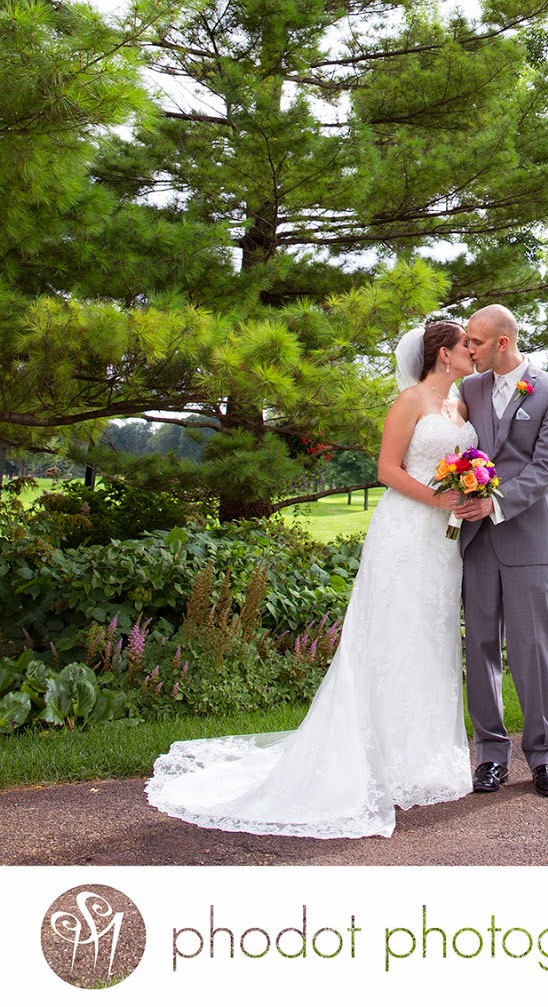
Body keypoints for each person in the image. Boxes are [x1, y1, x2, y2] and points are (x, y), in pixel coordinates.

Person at [145, 317, 477, 839]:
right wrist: (439, 499)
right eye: (465, 345)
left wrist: (471, 491)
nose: (472, 352)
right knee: (392, 635)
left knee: (430, 639)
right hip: (406, 531)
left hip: (444, 542)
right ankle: (377, 757)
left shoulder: (460, 405)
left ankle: (423, 757)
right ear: (443, 354)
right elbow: (387, 470)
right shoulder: (410, 401)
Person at [455, 304, 548, 798]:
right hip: (477, 543)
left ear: (502, 343)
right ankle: (490, 755)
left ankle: (543, 758)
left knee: (533, 652)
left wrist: (495, 504)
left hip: (529, 542)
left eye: (476, 342)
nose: (468, 349)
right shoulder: (469, 390)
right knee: (480, 646)